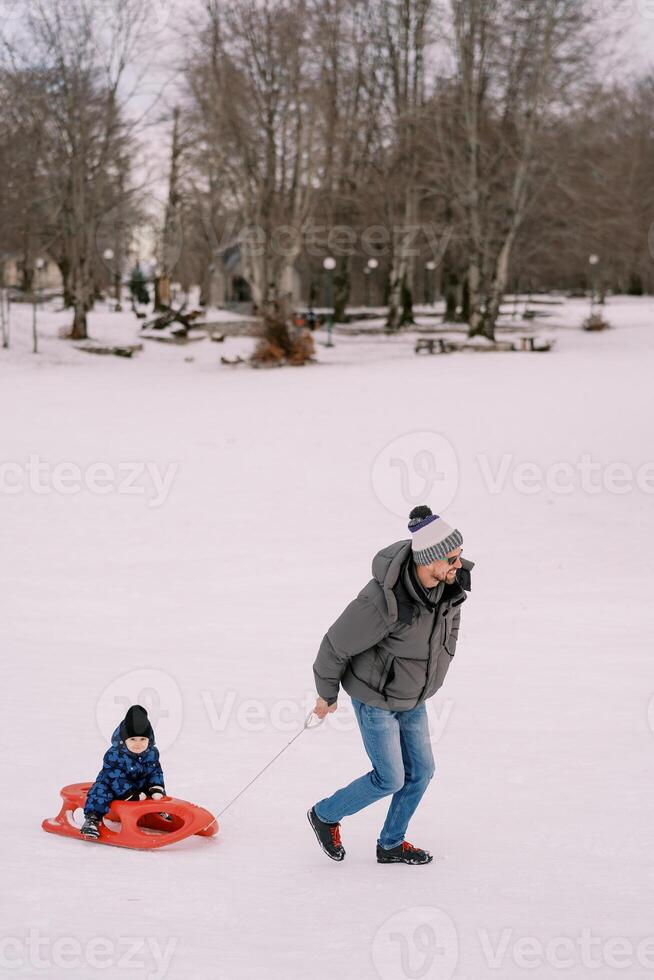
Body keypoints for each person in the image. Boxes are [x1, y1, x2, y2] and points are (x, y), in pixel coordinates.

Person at [307, 505, 473, 865]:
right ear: (428, 560)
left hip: (413, 696)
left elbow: (450, 626)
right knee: (390, 778)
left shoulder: (449, 587)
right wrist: (326, 694)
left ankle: (391, 844)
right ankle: (324, 814)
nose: (458, 565)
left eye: (459, 556)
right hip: (375, 699)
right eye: (451, 558)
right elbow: (334, 645)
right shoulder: (384, 603)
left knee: (422, 772)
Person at [81, 705, 165, 839]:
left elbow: (155, 771)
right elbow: (115, 777)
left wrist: (156, 787)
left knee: (156, 793)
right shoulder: (114, 754)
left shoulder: (151, 753)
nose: (138, 744)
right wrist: (129, 793)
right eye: (133, 739)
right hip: (113, 785)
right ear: (123, 740)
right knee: (100, 792)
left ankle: (158, 812)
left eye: (143, 739)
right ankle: (92, 820)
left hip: (139, 786)